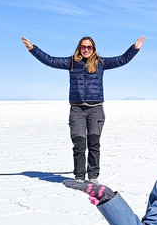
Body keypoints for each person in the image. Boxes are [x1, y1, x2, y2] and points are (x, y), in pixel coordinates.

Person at [22, 35, 145, 182]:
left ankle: (93, 176)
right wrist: (32, 48)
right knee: (79, 144)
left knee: (94, 144)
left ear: (93, 49)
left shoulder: (101, 63)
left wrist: (135, 48)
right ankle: (79, 176)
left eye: (89, 47)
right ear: (79, 48)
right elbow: (50, 60)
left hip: (96, 109)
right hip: (77, 110)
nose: (86, 49)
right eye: (83, 46)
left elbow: (122, 59)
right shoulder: (72, 62)